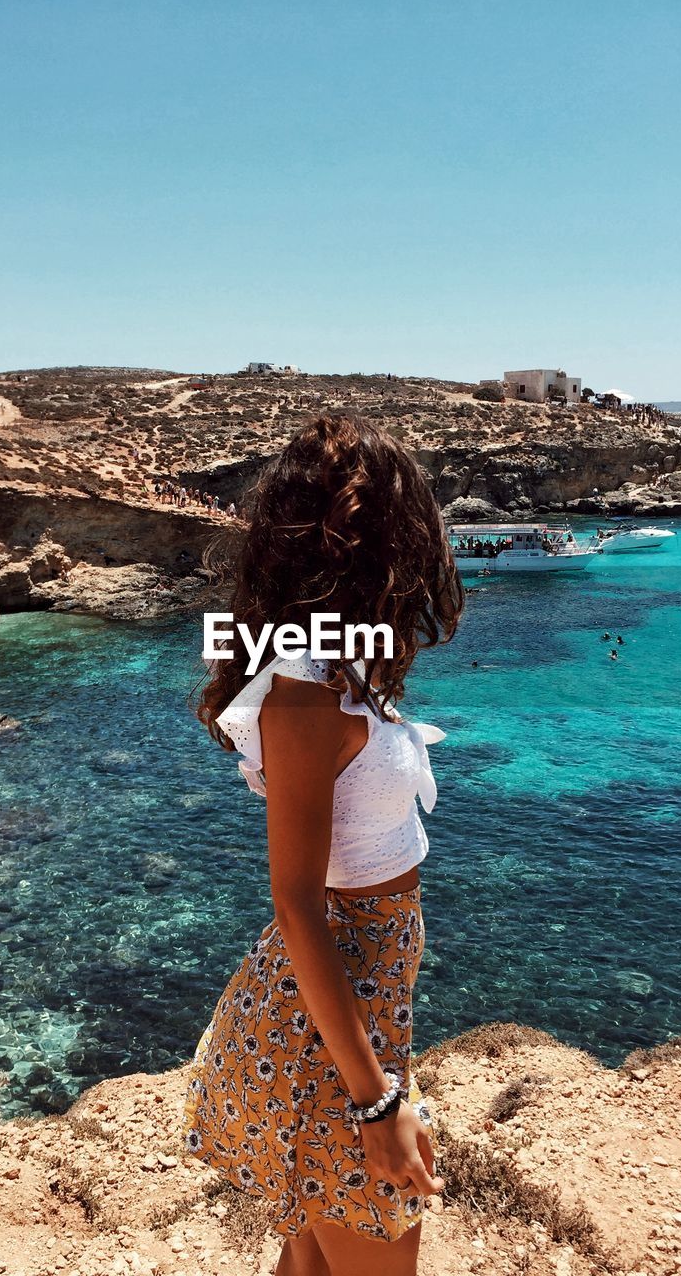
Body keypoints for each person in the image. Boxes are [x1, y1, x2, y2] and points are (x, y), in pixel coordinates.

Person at [183, 415, 463, 1275]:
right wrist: (377, 1107)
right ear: (385, 539)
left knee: (308, 1265)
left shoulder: (341, 669)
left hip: (338, 1012)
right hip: (324, 1040)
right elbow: (297, 902)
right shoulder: (305, 696)